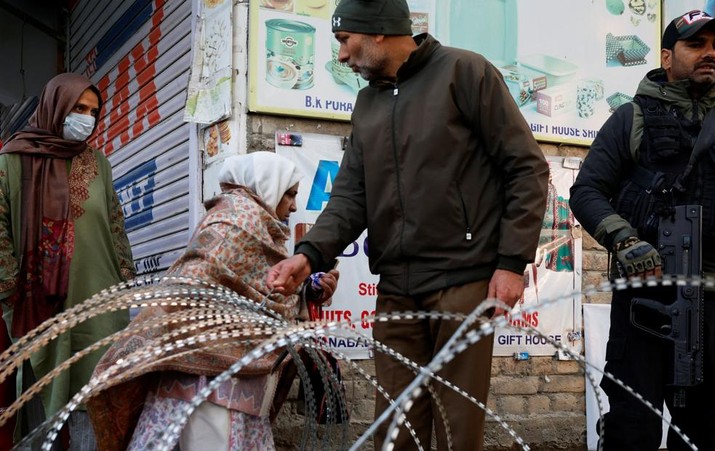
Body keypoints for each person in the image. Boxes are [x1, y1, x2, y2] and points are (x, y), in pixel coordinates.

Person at [267, 1, 550, 449]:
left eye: (344, 40)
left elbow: (526, 168)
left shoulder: (465, 72)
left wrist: (512, 263)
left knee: (457, 428)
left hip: (463, 282)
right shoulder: (368, 102)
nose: (341, 55)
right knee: (394, 429)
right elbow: (350, 195)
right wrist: (309, 254)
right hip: (397, 288)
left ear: (378, 32)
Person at [569, 10, 715, 451]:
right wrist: (625, 239)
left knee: (707, 423)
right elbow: (587, 190)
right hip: (645, 297)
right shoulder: (632, 119)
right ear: (668, 57)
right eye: (695, 44)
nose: (709, 53)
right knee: (633, 426)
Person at [87, 151, 339, 451]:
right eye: (290, 195)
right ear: (268, 187)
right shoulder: (236, 222)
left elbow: (258, 290)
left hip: (229, 383)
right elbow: (205, 287)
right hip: (206, 384)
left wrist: (307, 289)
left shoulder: (256, 225)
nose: (294, 205)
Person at [0, 73, 135, 449]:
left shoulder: (99, 163)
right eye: (79, 108)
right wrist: (11, 290)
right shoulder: (13, 160)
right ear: (55, 106)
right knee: (47, 399)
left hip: (99, 300)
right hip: (39, 305)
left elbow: (115, 225)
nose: (87, 119)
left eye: (93, 111)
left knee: (95, 396)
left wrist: (126, 284)